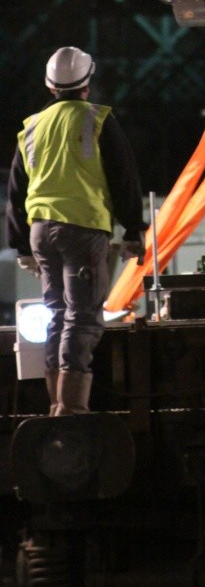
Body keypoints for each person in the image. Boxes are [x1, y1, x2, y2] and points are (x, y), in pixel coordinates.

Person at [6, 47, 146, 416]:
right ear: (88, 83)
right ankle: (71, 408)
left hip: (40, 231)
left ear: (50, 87)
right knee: (82, 317)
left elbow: (16, 189)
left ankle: (56, 404)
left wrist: (19, 243)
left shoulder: (33, 125)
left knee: (56, 312)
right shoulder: (97, 119)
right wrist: (134, 228)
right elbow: (124, 176)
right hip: (82, 229)